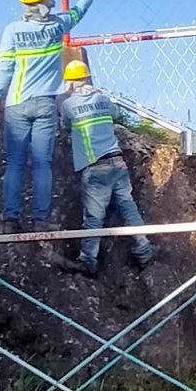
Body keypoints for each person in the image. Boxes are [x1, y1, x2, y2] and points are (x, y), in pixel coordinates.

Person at [0, 0, 105, 233]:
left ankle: (10, 220)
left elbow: (5, 68)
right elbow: (78, 12)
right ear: (46, 0)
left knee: (14, 163)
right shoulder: (57, 26)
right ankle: (40, 220)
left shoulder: (12, 31)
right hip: (46, 105)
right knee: (42, 164)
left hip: (16, 104)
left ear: (25, 4)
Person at [56, 59, 154, 278]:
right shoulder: (102, 98)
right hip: (117, 161)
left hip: (95, 166)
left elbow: (65, 126)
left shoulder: (68, 105)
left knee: (93, 217)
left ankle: (88, 261)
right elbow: (117, 114)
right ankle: (144, 249)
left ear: (70, 82)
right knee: (128, 208)